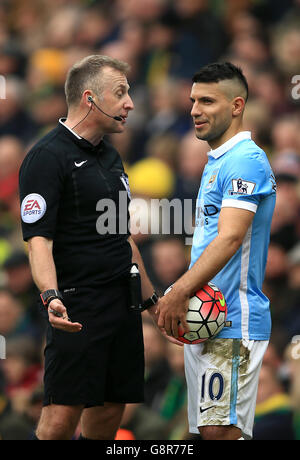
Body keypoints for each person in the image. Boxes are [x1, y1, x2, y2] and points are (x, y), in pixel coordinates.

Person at [18, 55, 167, 440]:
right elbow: (38, 241)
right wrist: (50, 295)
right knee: (61, 414)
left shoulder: (111, 156)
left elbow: (124, 237)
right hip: (78, 304)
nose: (130, 103)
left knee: (111, 406)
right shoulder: (46, 157)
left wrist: (152, 303)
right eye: (120, 93)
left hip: (123, 302)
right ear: (89, 98)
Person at [157, 62, 276, 440]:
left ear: (237, 105)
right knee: (215, 433)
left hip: (233, 321)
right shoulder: (216, 162)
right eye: (193, 100)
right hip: (210, 320)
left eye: (207, 101)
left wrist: (179, 292)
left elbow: (230, 238)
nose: (195, 109)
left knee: (219, 433)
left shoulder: (245, 160)